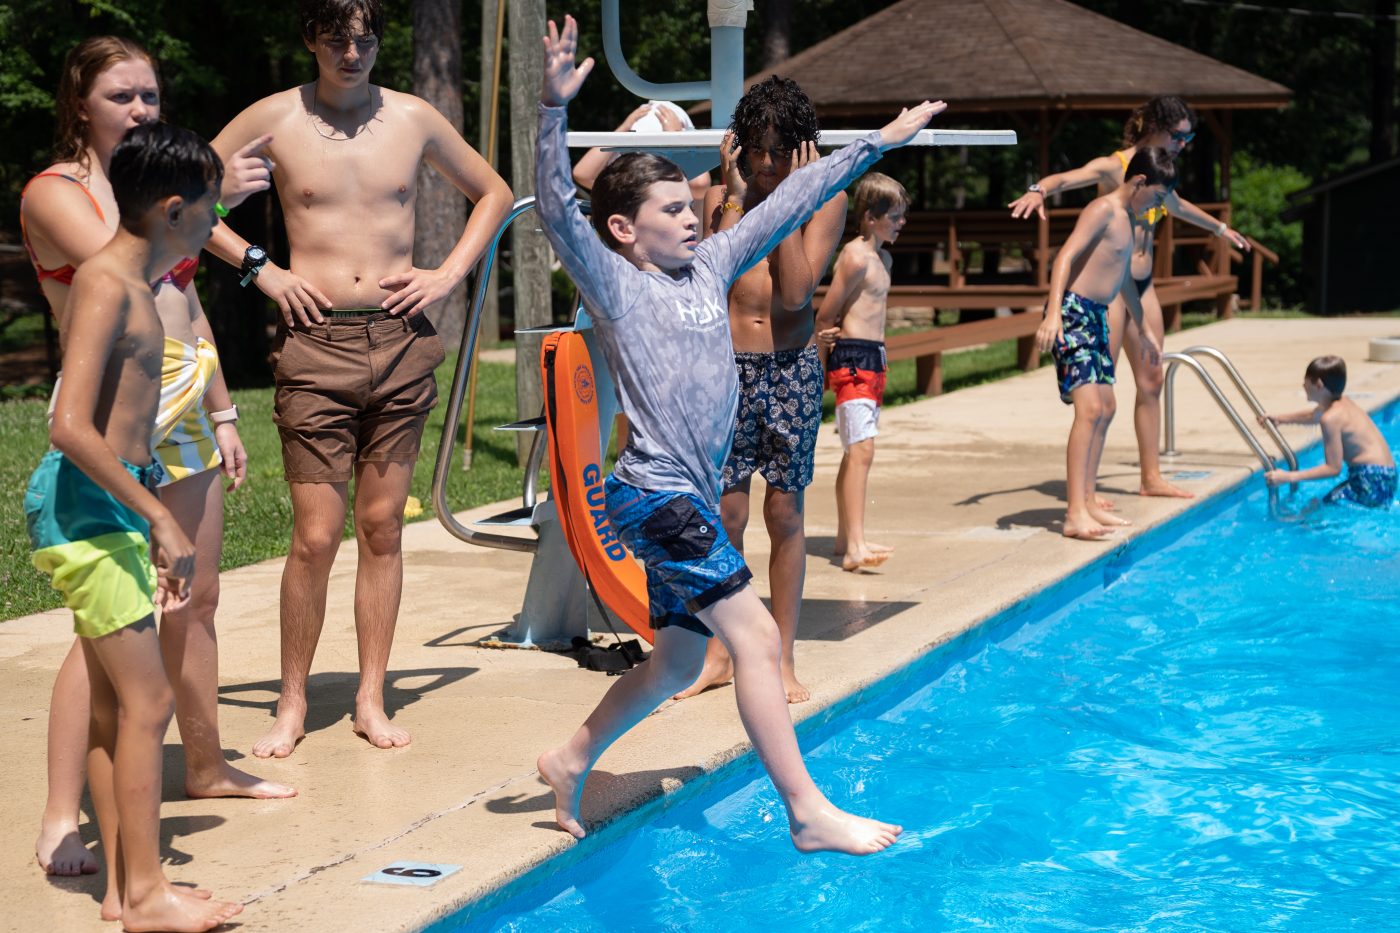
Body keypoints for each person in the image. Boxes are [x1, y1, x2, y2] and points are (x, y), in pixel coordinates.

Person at [534, 14, 941, 853]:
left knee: (678, 662)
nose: (693, 216)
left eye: (691, 205)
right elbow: (555, 208)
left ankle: (568, 757)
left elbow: (792, 198)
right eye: (671, 210)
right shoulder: (617, 288)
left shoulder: (711, 264)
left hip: (674, 498)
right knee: (754, 636)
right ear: (624, 230)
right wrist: (550, 110)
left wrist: (881, 140)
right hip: (656, 494)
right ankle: (806, 810)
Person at [203, 0, 513, 757]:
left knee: (381, 527)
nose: (353, 52)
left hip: (401, 342)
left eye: (366, 38)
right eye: (338, 38)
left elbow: (495, 193)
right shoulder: (274, 117)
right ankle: (292, 701)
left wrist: (447, 275)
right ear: (311, 39)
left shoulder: (413, 117)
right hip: (315, 345)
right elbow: (180, 199)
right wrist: (261, 269)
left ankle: (372, 697)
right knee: (315, 536)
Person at [18, 36, 292, 884]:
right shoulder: (61, 193)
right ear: (80, 104)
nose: (140, 108)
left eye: (150, 95)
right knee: (107, 629)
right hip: (114, 413)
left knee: (195, 598)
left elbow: (184, 295)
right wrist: (216, 198)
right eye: (121, 96)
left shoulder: (164, 198)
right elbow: (138, 258)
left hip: (182, 395)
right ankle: (62, 813)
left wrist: (222, 407)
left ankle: (204, 763)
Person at [28, 121, 244, 933]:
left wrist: (148, 500)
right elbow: (69, 426)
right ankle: (148, 897)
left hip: (114, 503)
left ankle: (125, 887)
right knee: (149, 700)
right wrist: (159, 515)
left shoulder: (144, 285)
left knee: (116, 708)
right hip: (88, 509)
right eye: (212, 207)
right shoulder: (106, 283)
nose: (218, 221)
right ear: (174, 210)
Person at [674, 76, 848, 705]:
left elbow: (797, 294)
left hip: (789, 368)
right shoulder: (722, 198)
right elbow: (706, 282)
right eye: (757, 150)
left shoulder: (827, 200)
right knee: (726, 514)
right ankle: (721, 652)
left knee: (784, 513)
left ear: (802, 149)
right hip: (728, 368)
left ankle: (781, 654)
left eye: (780, 152)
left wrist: (792, 201)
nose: (768, 163)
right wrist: (733, 200)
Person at [1010, 96, 1251, 503]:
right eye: (1178, 135)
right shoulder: (1118, 168)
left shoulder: (1159, 174)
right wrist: (1038, 190)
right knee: (1099, 393)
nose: (1183, 144)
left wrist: (1219, 229)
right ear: (1154, 127)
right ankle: (1086, 490)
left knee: (1152, 378)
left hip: (1142, 286)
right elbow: (1066, 179)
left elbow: (1177, 205)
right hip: (1111, 292)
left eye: (1189, 138)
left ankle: (1150, 476)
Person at [1035, 149, 1172, 540]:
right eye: (1157, 197)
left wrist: (1144, 328)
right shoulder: (1103, 210)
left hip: (1096, 316)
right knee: (1091, 409)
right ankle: (1075, 513)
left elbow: (1124, 280)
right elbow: (1065, 257)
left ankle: (1088, 501)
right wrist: (1053, 313)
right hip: (1073, 312)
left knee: (1107, 407)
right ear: (1140, 182)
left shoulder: (1129, 219)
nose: (1157, 208)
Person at [814, 172, 909, 571]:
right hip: (852, 359)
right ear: (870, 217)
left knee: (855, 451)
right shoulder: (854, 257)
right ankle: (855, 545)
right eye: (895, 216)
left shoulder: (883, 258)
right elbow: (826, 314)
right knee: (862, 451)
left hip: (874, 360)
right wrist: (822, 359)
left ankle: (845, 539)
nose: (902, 223)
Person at [1260, 356, 1396, 507]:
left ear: (1318, 384)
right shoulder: (1342, 403)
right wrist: (1280, 419)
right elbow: (1313, 415)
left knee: (1315, 511)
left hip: (1371, 479)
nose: (1303, 385)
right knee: (1316, 506)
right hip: (1386, 476)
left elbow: (1332, 469)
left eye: (1306, 381)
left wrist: (1288, 477)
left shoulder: (1330, 418)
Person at [572, 100, 711, 204]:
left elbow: (700, 184)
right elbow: (582, 174)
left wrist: (677, 137)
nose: (646, 160)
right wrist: (622, 130)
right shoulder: (631, 186)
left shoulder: (681, 185)